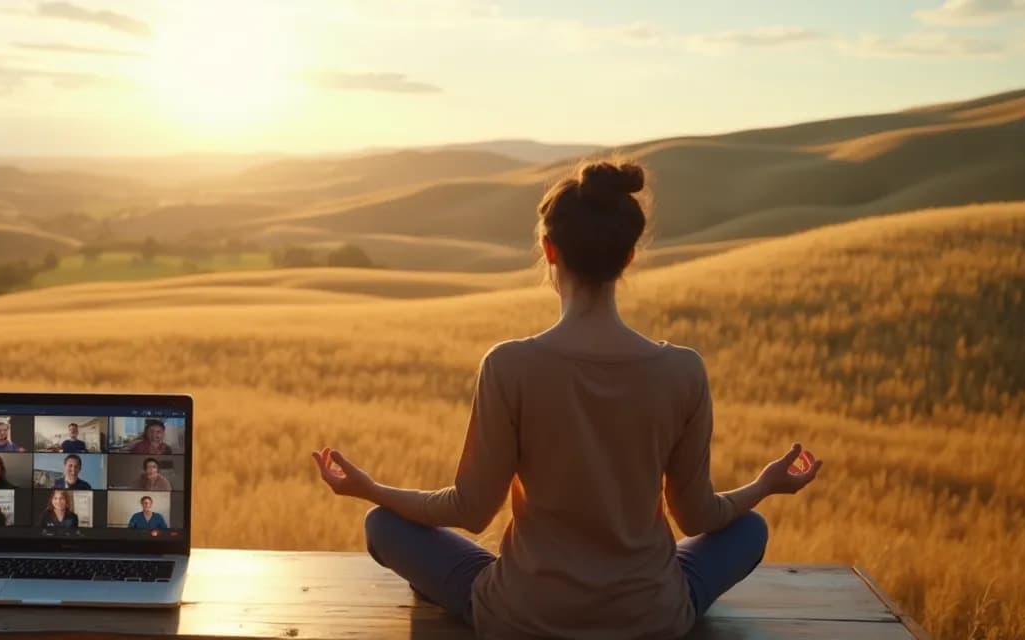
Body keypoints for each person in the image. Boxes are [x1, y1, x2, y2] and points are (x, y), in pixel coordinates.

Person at [308, 161, 824, 639]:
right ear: (628, 256)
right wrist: (765, 484)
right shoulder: (683, 369)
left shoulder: (510, 365)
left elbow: (469, 510)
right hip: (651, 616)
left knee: (382, 525)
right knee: (750, 529)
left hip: (523, 613)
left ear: (549, 250)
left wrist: (369, 488)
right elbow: (699, 519)